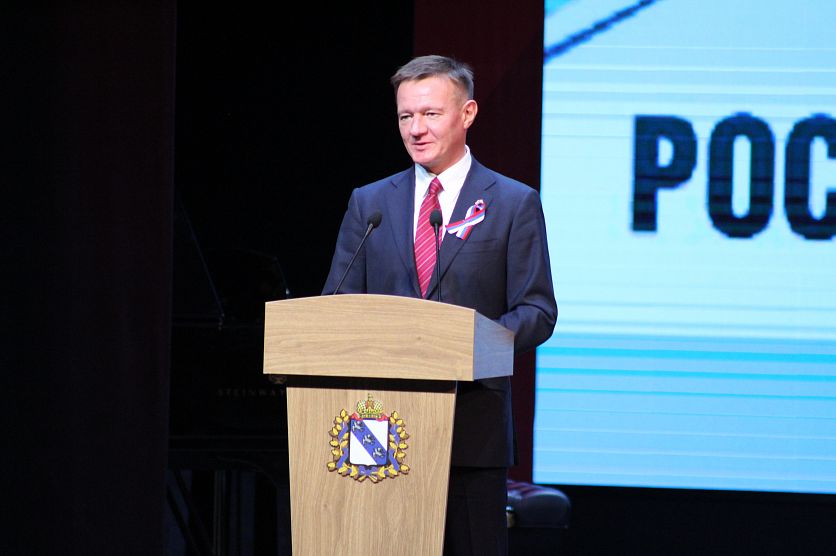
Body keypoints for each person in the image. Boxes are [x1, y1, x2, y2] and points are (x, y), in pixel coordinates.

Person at [322, 54, 557, 555]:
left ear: (467, 113)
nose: (416, 129)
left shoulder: (512, 203)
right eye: (406, 116)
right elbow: (336, 305)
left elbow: (537, 311)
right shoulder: (370, 203)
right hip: (377, 426)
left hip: (472, 427)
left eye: (430, 114)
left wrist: (467, 347)